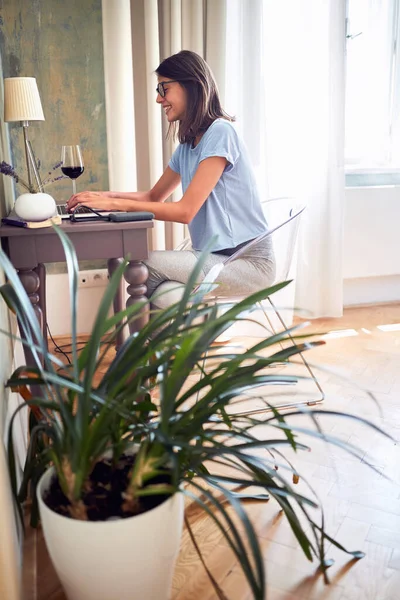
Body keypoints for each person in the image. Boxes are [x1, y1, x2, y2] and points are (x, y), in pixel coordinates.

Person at [67, 50, 275, 302]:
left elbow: (185, 211)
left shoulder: (221, 132)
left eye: (163, 88)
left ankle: (146, 341)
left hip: (247, 262)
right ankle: (158, 340)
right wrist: (103, 196)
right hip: (215, 258)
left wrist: (114, 205)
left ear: (191, 85)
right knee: (157, 288)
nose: (158, 99)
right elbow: (153, 196)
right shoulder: (187, 147)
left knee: (144, 265)